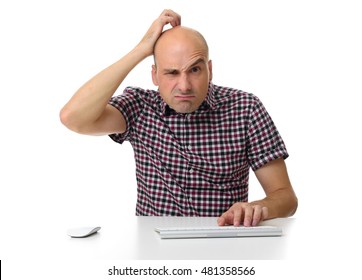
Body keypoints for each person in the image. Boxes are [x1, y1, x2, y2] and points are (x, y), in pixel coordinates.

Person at [60, 9, 298, 227]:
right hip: (154, 248)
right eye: (171, 72)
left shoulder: (245, 108)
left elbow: (285, 197)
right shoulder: (140, 107)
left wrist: (258, 208)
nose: (184, 86)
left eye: (194, 70)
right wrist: (141, 49)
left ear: (210, 70)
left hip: (223, 242)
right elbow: (74, 118)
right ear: (154, 75)